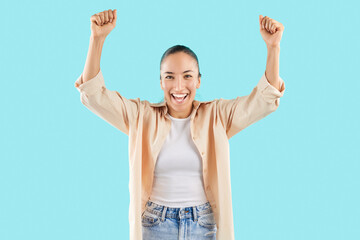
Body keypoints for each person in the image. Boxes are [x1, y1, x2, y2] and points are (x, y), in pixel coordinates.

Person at [74, 9, 286, 240]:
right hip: (155, 224)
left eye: (187, 76)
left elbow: (265, 100)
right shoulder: (141, 117)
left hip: (203, 223)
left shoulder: (217, 116)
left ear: (198, 80)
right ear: (160, 82)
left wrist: (273, 48)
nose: (178, 86)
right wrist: (97, 39)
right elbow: (93, 95)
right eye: (169, 76)